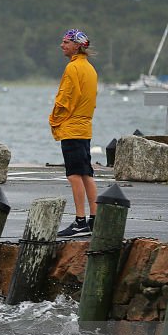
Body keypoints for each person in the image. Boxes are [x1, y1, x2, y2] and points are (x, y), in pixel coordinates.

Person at [49, 28, 97, 238]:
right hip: (85, 127)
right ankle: (95, 219)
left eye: (66, 42)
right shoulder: (90, 69)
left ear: (77, 45)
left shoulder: (72, 69)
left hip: (72, 127)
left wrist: (54, 120)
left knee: (74, 175)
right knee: (86, 173)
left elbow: (65, 100)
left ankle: (80, 221)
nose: (62, 45)